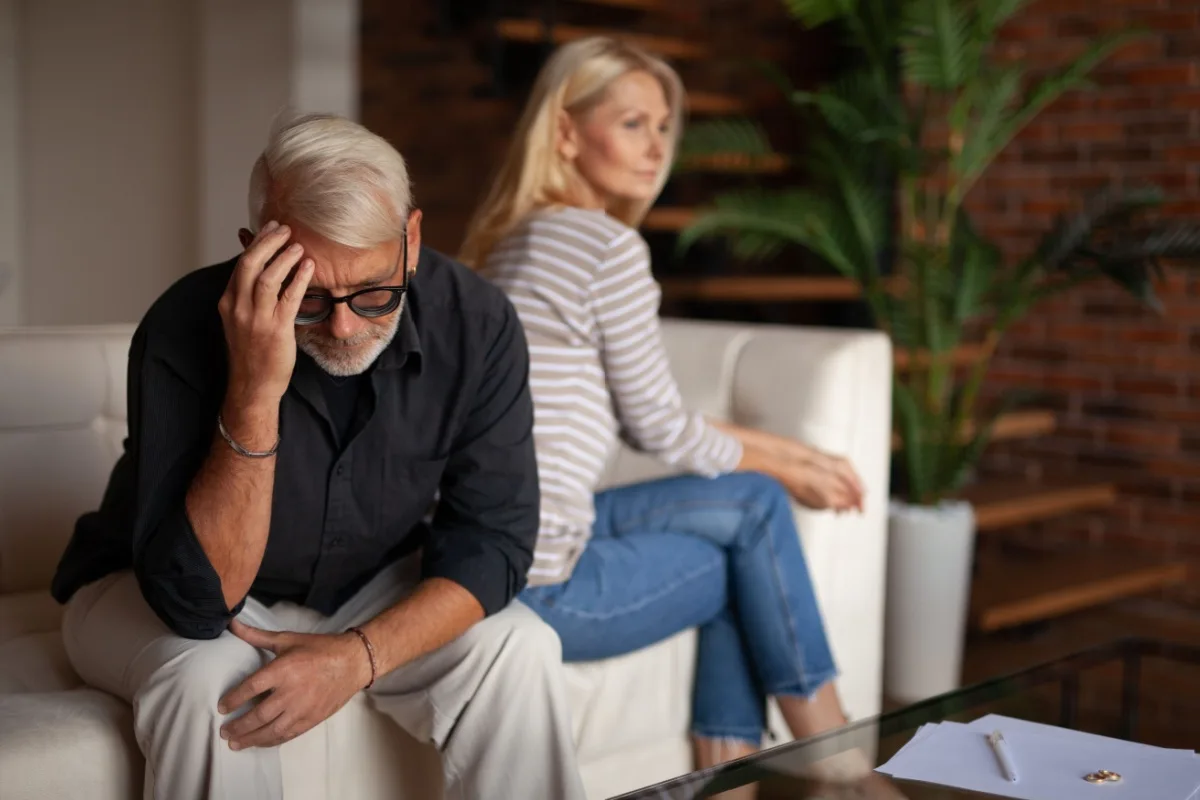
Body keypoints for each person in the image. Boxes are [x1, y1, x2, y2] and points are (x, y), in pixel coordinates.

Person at [50, 113, 585, 800]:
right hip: (146, 586)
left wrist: (358, 658)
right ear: (254, 251)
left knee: (521, 646)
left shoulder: (476, 323)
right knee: (212, 685)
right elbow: (197, 602)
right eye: (307, 296)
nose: (343, 326)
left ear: (411, 241)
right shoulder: (184, 325)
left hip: (363, 589)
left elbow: (494, 542)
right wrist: (252, 389)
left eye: (373, 292)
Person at [461, 36, 888, 796]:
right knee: (747, 538)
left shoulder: (508, 244)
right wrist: (791, 462)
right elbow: (657, 428)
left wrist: (787, 458)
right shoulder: (603, 246)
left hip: (492, 551)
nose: (657, 146)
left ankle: (787, 774)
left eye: (664, 126)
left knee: (754, 504)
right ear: (565, 132)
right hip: (539, 582)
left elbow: (644, 420)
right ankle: (842, 769)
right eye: (632, 123)